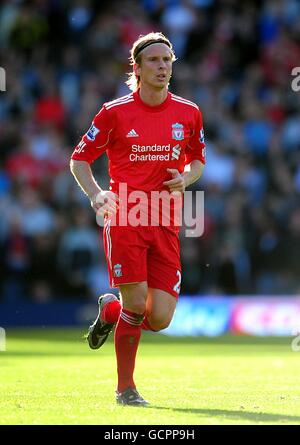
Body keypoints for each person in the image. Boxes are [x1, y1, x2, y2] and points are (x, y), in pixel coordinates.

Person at [70, 32, 205, 406]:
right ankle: (125, 389)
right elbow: (79, 159)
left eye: (168, 60)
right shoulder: (114, 112)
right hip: (127, 214)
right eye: (154, 61)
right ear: (137, 68)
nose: (163, 67)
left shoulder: (189, 112)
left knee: (159, 317)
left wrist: (187, 177)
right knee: (136, 303)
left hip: (166, 219)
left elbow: (196, 160)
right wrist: (97, 194)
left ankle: (110, 310)